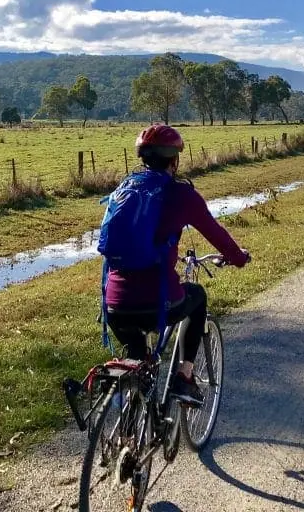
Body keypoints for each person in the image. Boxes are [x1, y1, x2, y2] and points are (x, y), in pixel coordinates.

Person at [103, 124, 250, 407]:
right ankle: (184, 377)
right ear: (175, 160)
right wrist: (238, 257)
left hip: (115, 304)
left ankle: (132, 425)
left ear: (143, 159)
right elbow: (217, 234)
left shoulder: (123, 190)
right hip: (158, 301)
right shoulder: (182, 195)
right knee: (197, 297)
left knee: (138, 356)